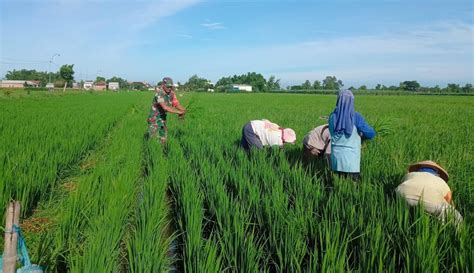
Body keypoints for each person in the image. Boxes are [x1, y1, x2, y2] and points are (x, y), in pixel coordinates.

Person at [328, 90, 375, 181]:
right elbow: (370, 133)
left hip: (336, 158)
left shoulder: (332, 116)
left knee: (338, 184)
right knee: (352, 186)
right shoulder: (356, 116)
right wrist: (362, 135)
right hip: (351, 160)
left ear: (338, 100)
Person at [395, 160, 463, 224]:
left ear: (419, 169)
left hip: (400, 198)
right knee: (458, 218)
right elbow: (449, 199)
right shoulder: (440, 181)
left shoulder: (410, 175)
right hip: (429, 203)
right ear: (437, 173)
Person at [147, 77, 186, 143]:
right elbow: (165, 107)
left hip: (162, 119)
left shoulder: (172, 94)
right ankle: (151, 151)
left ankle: (163, 151)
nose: (169, 88)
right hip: (154, 119)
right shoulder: (159, 94)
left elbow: (176, 104)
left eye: (170, 87)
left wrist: (183, 110)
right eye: (167, 86)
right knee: (153, 140)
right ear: (163, 85)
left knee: (163, 139)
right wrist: (178, 112)